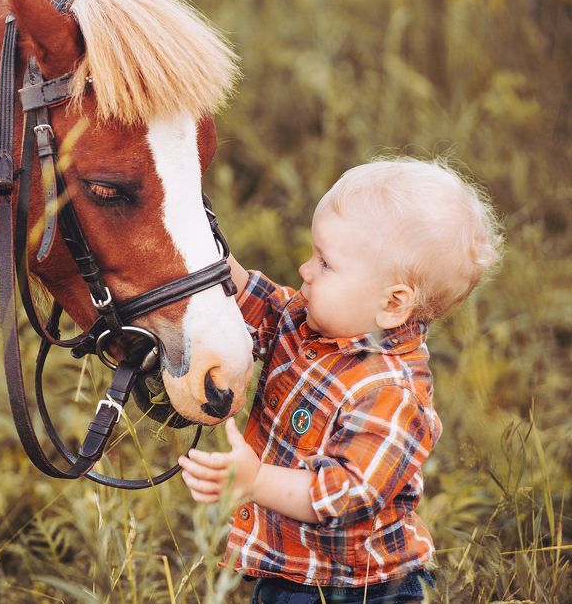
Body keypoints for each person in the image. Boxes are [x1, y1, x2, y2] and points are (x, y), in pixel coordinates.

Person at [178, 158, 503, 603]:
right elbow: (256, 301)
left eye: (325, 263)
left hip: (358, 589)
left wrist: (254, 482)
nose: (304, 271)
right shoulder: (312, 324)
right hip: (292, 571)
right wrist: (195, 237)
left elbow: (345, 495)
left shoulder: (392, 394)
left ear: (392, 303)